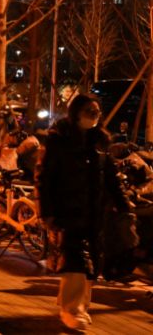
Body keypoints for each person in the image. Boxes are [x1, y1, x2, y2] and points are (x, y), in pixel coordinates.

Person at [38, 94, 131, 332]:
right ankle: (71, 309)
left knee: (92, 263)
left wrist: (123, 205)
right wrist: (47, 211)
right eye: (89, 110)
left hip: (94, 212)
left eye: (97, 111)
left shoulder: (100, 143)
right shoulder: (59, 142)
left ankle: (79, 306)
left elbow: (111, 177)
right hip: (69, 211)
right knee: (76, 261)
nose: (94, 114)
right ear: (76, 112)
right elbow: (46, 179)